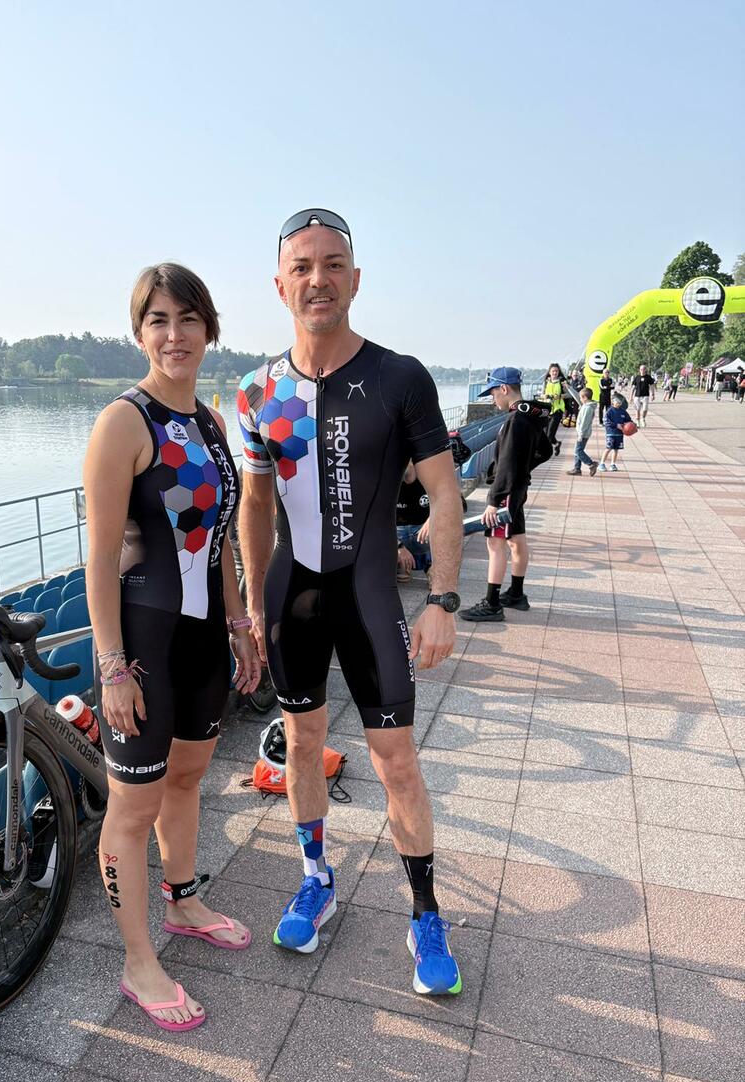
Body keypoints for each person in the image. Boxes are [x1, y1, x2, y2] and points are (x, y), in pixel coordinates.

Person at [237, 208, 465, 996]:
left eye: (332, 264)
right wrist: (248, 603)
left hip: (371, 596)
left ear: (355, 278)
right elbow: (257, 506)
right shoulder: (256, 390)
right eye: (301, 267)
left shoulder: (400, 377)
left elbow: (443, 492)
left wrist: (441, 599)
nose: (317, 279)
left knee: (396, 759)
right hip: (292, 595)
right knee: (300, 744)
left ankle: (424, 915)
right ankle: (316, 878)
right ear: (280, 285)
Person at [83, 263, 262, 1032]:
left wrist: (239, 623)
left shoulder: (211, 424)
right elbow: (97, 559)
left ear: (209, 328)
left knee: (189, 776)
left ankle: (184, 901)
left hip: (202, 642)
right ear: (139, 334)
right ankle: (136, 960)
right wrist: (113, 667)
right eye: (158, 320)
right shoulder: (125, 421)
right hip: (145, 639)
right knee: (132, 807)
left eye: (188, 319)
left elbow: (219, 543)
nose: (175, 334)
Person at [459, 368, 551, 621]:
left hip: (506, 492)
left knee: (495, 544)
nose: (492, 400)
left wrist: (493, 500)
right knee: (517, 541)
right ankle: (516, 594)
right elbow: (545, 451)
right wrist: (524, 471)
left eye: (493, 393)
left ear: (504, 389)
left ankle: (491, 603)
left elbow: (507, 464)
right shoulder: (531, 417)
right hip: (518, 489)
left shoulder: (514, 421)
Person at [396, 462, 431, 580]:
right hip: (396, 533)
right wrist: (398, 546)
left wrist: (434, 518)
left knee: (447, 525)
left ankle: (434, 567)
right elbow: (375, 518)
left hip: (423, 532)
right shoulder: (387, 480)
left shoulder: (430, 475)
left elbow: (459, 504)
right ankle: (401, 563)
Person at [565, 387, 599, 476]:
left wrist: (580, 434)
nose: (579, 399)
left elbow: (585, 423)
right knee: (578, 450)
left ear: (585, 398)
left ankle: (591, 464)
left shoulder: (588, 408)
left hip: (583, 433)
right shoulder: (585, 404)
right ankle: (577, 469)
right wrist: (569, 387)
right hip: (581, 432)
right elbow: (576, 396)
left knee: (578, 451)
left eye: (581, 398)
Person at [598, 392, 632, 472]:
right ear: (613, 401)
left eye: (620, 402)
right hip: (611, 433)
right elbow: (606, 421)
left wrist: (632, 425)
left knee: (616, 449)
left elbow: (628, 420)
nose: (619, 404)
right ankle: (602, 464)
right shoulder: (609, 411)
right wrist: (616, 425)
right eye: (617, 402)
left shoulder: (623, 411)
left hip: (619, 434)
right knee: (608, 448)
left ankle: (612, 464)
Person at [543, 363, 567, 453]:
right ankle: (557, 444)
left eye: (556, 371)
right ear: (549, 372)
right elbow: (542, 394)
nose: (555, 373)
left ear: (558, 372)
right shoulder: (546, 381)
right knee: (546, 434)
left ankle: (544, 453)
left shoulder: (562, 382)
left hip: (557, 410)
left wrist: (559, 396)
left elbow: (568, 395)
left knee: (549, 435)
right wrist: (545, 396)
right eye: (553, 371)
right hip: (546, 410)